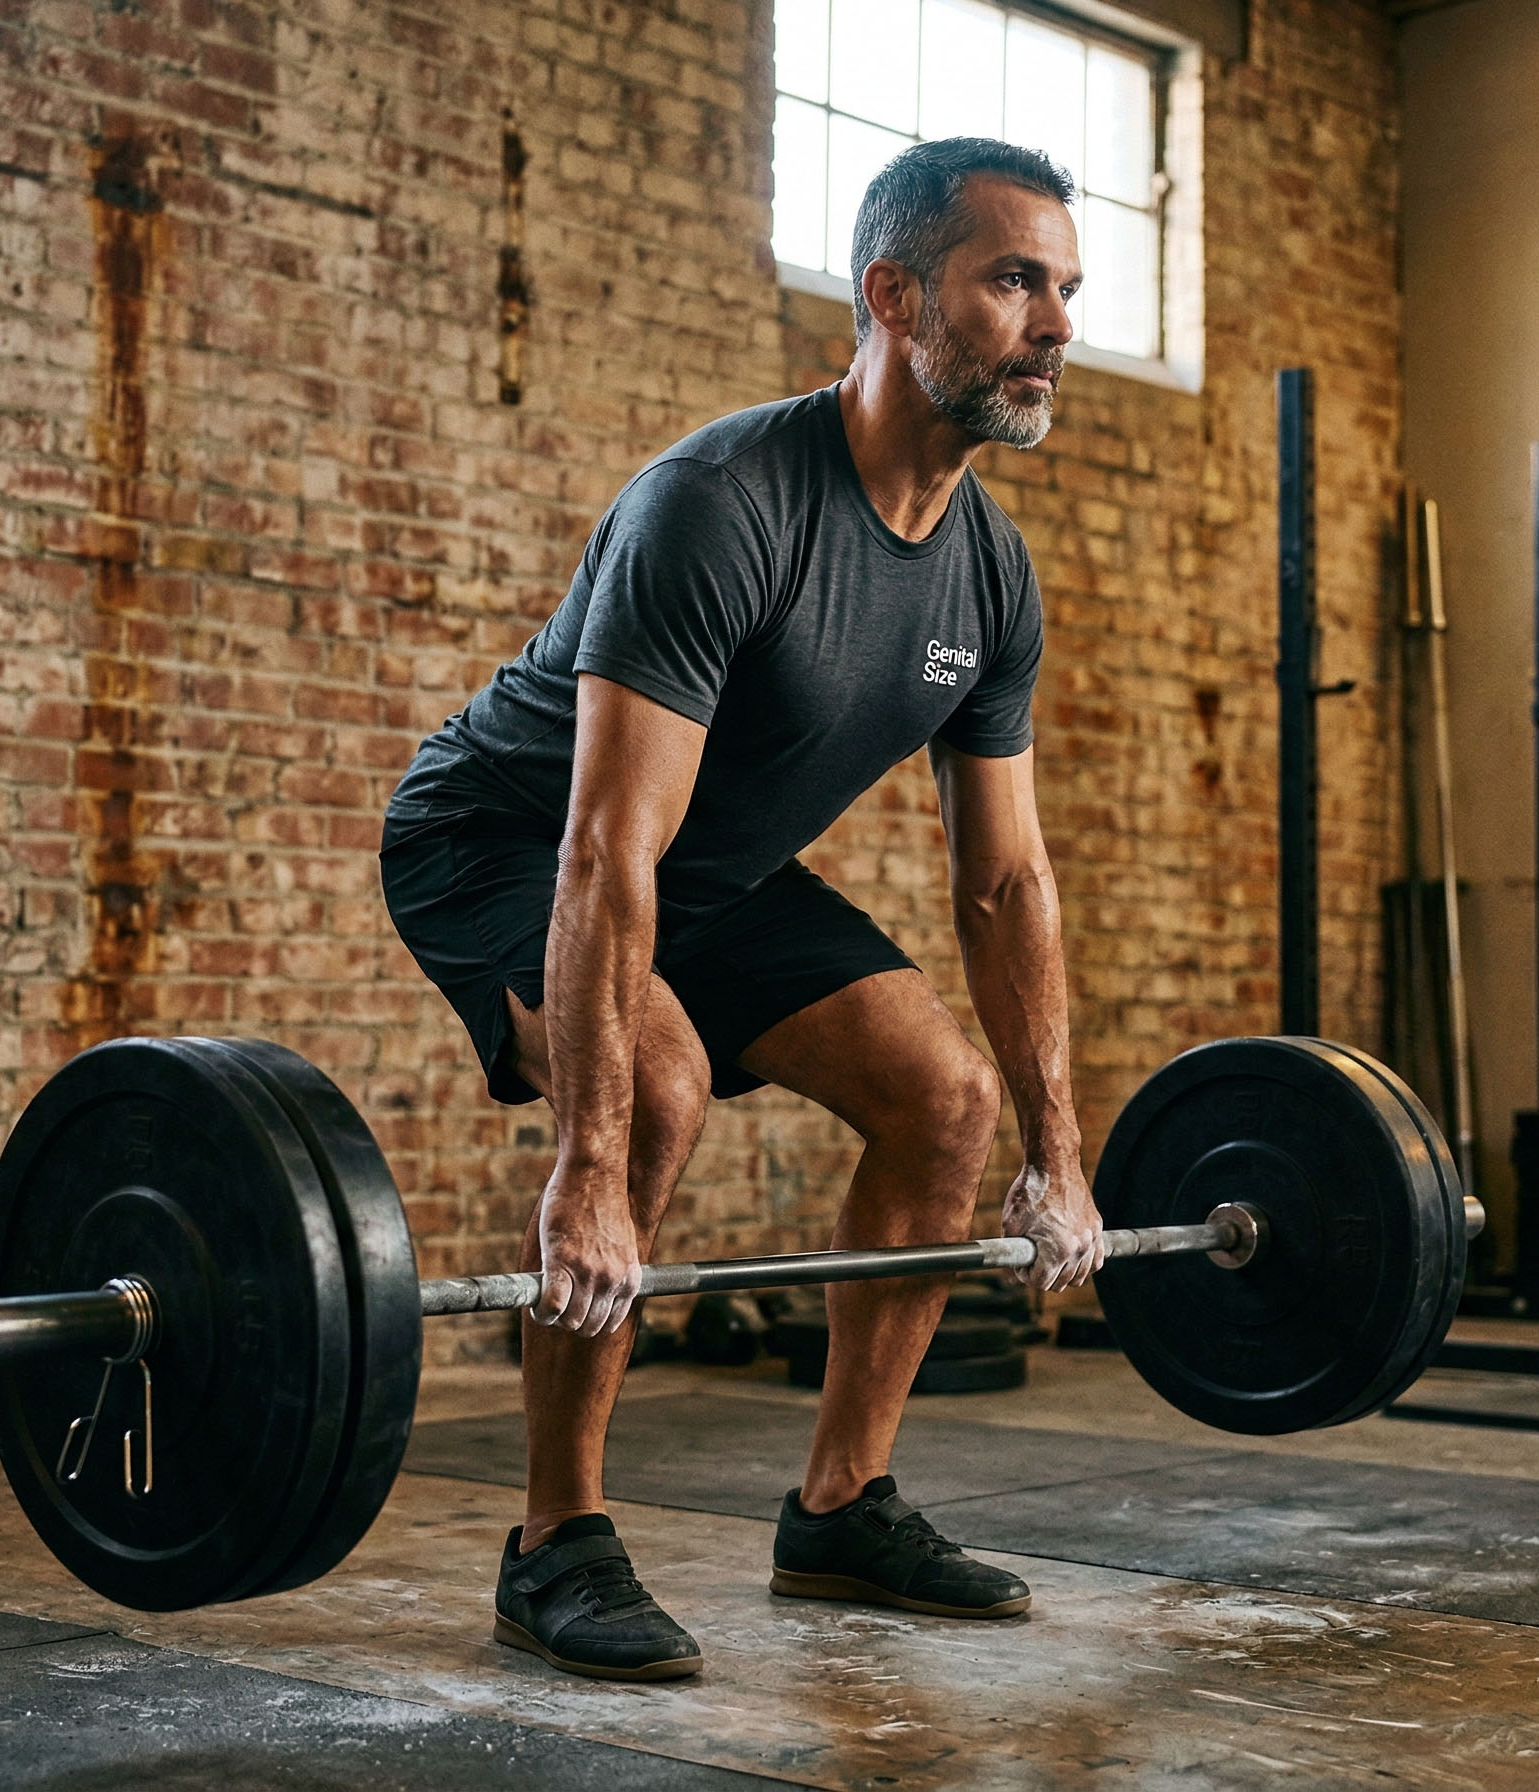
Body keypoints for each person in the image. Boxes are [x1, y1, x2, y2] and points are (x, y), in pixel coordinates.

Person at [380, 138, 1104, 1682]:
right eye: (1012, 281)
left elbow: (1005, 880)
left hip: (702, 868)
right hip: (505, 840)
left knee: (946, 1101)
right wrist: (587, 1169)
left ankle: (841, 1506)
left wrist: (1060, 1152)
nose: (1054, 325)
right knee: (654, 1086)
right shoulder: (720, 505)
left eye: (1065, 288)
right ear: (893, 295)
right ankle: (554, 1540)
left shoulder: (990, 575)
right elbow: (601, 851)